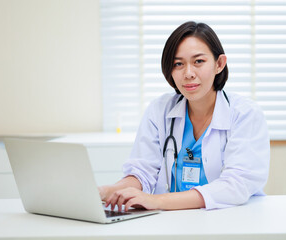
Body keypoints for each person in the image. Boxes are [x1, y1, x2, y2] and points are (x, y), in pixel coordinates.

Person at [99, 21, 270, 211]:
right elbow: (142, 173)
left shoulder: (245, 114)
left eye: (198, 61)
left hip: (227, 220)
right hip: (171, 221)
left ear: (219, 64)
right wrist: (106, 191)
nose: (188, 73)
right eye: (178, 64)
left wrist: (157, 201)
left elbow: (235, 186)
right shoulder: (159, 111)